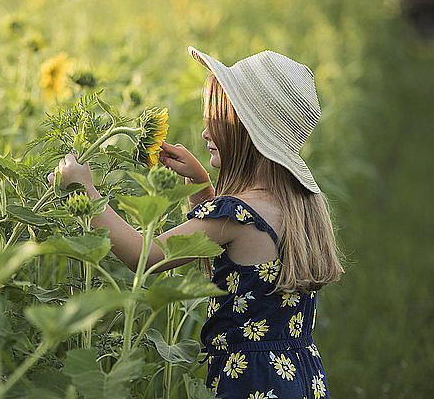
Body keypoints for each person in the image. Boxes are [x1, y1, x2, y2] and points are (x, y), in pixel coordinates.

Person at [48, 46, 343, 399]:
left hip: (248, 382)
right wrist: (204, 190)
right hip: (298, 374)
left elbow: (146, 255)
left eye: (215, 121)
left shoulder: (233, 213)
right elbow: (239, 247)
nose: (205, 132)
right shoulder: (298, 204)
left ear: (245, 131)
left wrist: (86, 192)